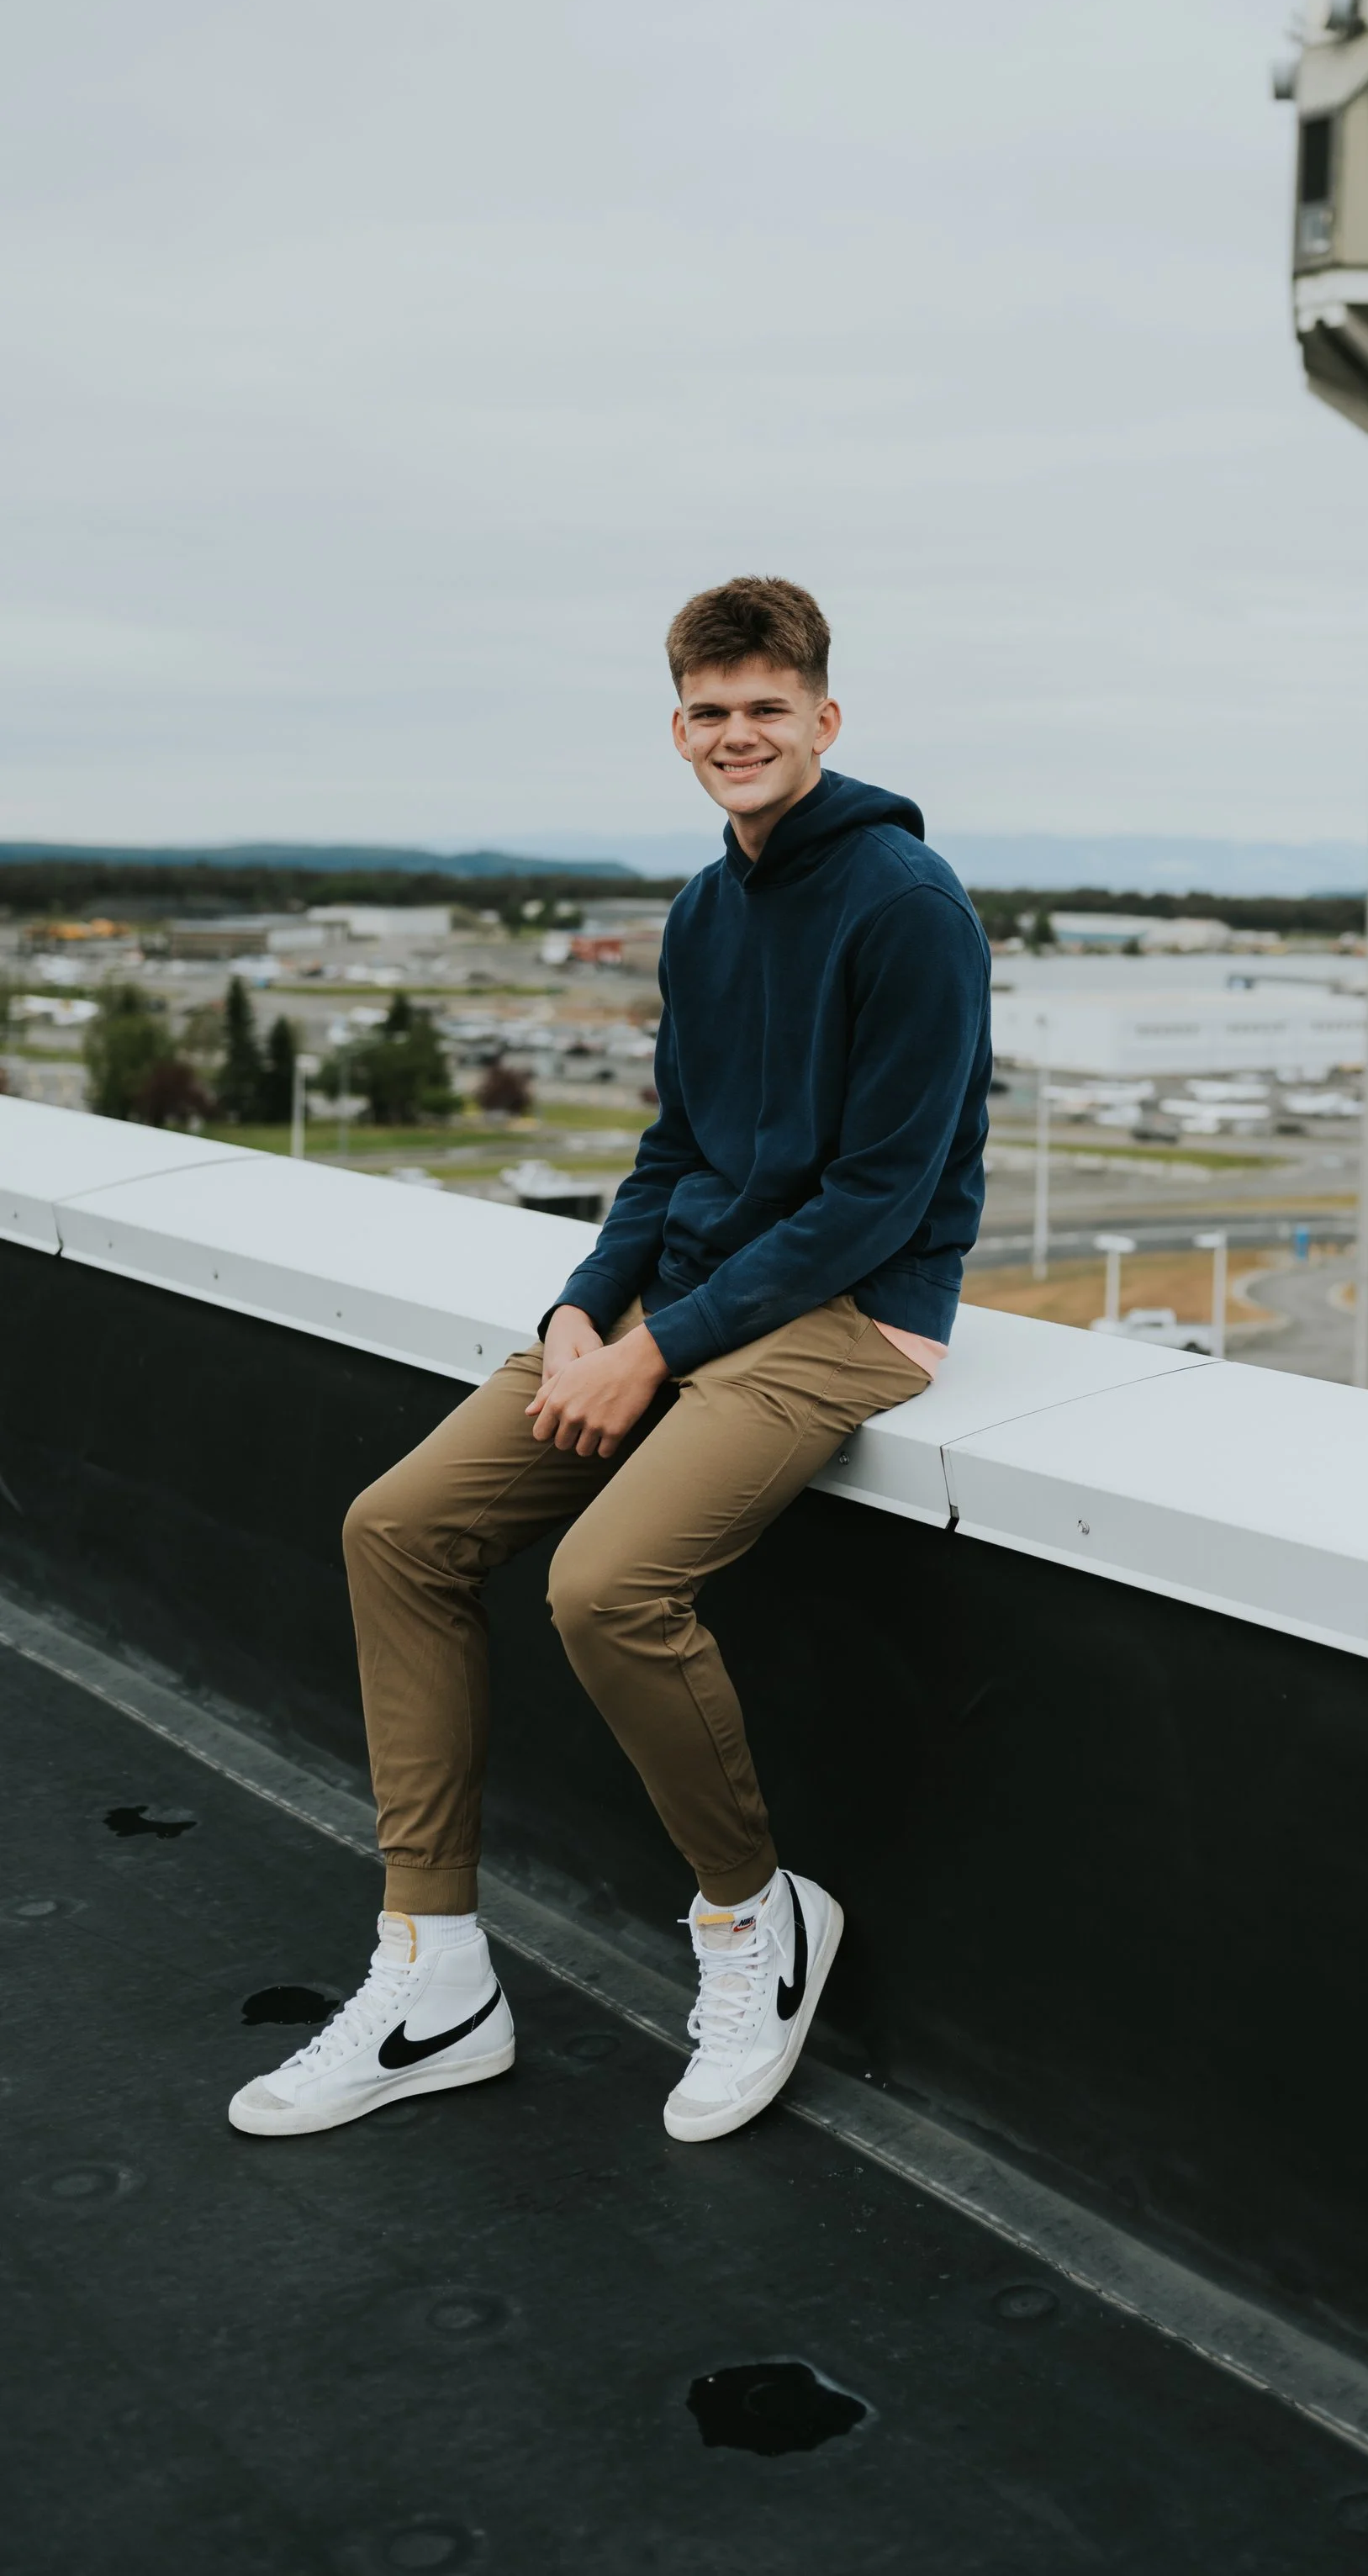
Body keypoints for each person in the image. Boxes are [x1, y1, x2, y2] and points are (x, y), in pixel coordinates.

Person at [230, 577, 990, 2142]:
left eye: (766, 708)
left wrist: (659, 1354)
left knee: (607, 1586)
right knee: (399, 1528)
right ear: (678, 728)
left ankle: (755, 1924)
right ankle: (433, 1972)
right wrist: (587, 1312)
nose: (737, 735)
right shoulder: (709, 906)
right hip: (689, 1303)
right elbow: (672, 1153)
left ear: (825, 720)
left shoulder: (909, 904)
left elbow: (878, 1201)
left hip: (856, 1316)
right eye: (709, 712)